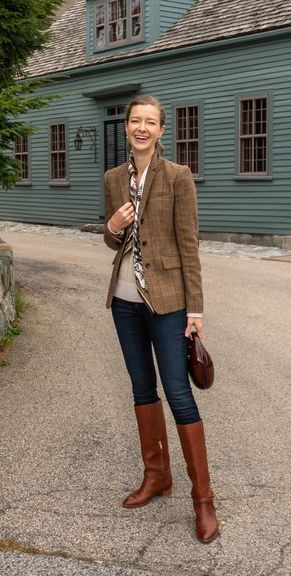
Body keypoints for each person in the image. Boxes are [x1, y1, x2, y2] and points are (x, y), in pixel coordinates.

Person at [104, 94, 219, 543]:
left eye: (150, 122)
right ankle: (157, 477)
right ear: (128, 126)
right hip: (124, 301)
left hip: (169, 302)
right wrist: (113, 224)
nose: (142, 128)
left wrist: (196, 309)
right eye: (136, 121)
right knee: (140, 388)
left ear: (161, 130)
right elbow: (114, 243)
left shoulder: (177, 176)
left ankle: (204, 500)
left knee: (178, 393)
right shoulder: (114, 178)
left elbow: (188, 244)